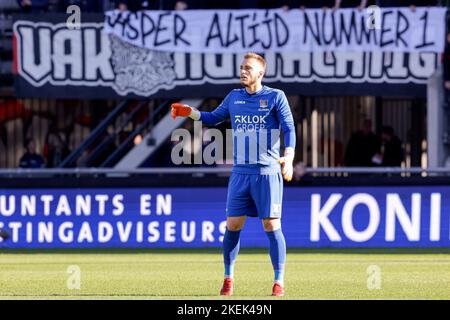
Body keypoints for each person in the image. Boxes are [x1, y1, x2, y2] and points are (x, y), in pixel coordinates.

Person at [171, 53, 296, 297]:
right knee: (233, 225)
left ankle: (278, 281)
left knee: (271, 224)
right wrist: (190, 112)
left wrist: (288, 157)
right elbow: (213, 118)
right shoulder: (234, 97)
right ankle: (228, 278)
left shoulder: (275, 97)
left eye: (248, 68)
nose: (243, 71)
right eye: (241, 67)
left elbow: (289, 127)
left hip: (266, 173)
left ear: (261, 73)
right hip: (240, 174)